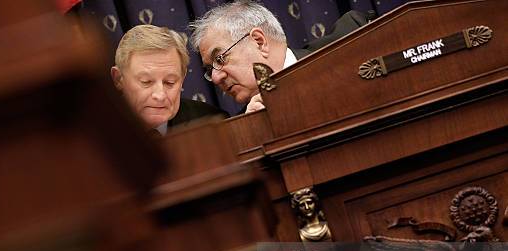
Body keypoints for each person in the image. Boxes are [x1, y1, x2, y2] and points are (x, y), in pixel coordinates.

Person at [189, 0, 369, 114]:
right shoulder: (240, 132)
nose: (215, 77)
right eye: (209, 69)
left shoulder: (354, 35)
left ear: (259, 42)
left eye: (220, 59)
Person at [111, 25, 227, 135]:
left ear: (182, 78)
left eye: (169, 82)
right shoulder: (95, 136)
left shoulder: (213, 124)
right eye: (146, 82)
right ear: (118, 79)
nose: (160, 95)